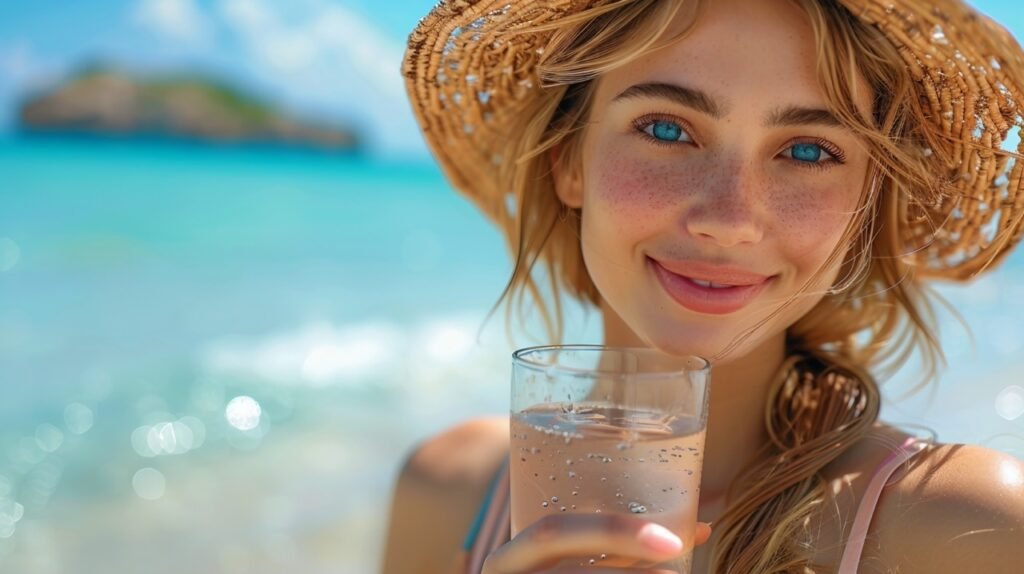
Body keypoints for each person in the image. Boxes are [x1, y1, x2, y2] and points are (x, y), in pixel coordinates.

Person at [383, 0, 1024, 572]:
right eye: (667, 129)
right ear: (568, 161)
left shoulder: (969, 531)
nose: (728, 220)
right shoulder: (445, 493)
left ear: (866, 202)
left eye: (807, 151)